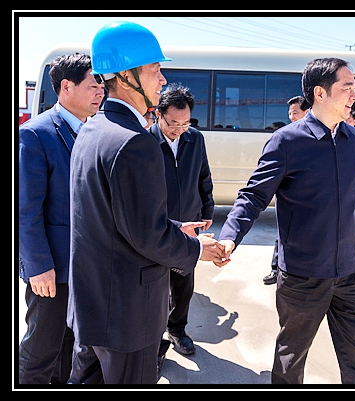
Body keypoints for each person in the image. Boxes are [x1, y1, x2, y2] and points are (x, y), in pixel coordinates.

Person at [67, 21, 227, 385]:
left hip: (93, 308)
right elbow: (147, 235)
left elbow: (115, 219)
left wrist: (177, 229)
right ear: (126, 76)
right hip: (127, 317)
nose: (163, 79)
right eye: (155, 70)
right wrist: (195, 248)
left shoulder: (93, 128)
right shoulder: (134, 141)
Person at [218, 58, 355, 384]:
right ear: (320, 93)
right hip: (303, 277)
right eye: (347, 88)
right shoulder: (286, 141)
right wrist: (230, 236)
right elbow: (253, 195)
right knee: (291, 359)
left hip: (354, 273)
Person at [18, 53, 105, 385]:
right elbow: (25, 210)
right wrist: (38, 266)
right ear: (66, 87)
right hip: (51, 269)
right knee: (41, 350)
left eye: (101, 86)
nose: (100, 92)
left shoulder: (93, 130)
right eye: (93, 85)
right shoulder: (35, 134)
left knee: (71, 349)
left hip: (86, 266)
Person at [148, 84, 215, 371]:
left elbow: (203, 175)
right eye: (173, 123)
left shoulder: (194, 139)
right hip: (157, 227)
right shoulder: (144, 141)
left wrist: (207, 209)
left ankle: (177, 330)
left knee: (183, 285)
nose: (179, 129)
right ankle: (154, 343)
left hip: (188, 226)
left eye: (185, 123)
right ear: (158, 115)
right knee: (154, 290)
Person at [263, 95, 310, 285]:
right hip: (291, 199)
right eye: (290, 113)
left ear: (307, 112)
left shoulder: (319, 138)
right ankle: (277, 269)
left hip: (311, 201)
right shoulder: (285, 137)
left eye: (295, 113)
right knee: (283, 234)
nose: (291, 117)